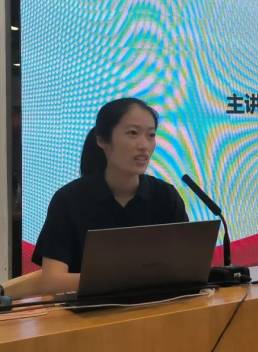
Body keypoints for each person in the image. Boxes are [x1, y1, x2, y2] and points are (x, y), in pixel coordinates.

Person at [1, 98, 188, 299]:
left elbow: (186, 267)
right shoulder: (69, 200)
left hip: (158, 310)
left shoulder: (165, 196)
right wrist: (131, 280)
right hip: (88, 312)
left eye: (151, 135)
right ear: (102, 140)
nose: (144, 145)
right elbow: (52, 281)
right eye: (133, 133)